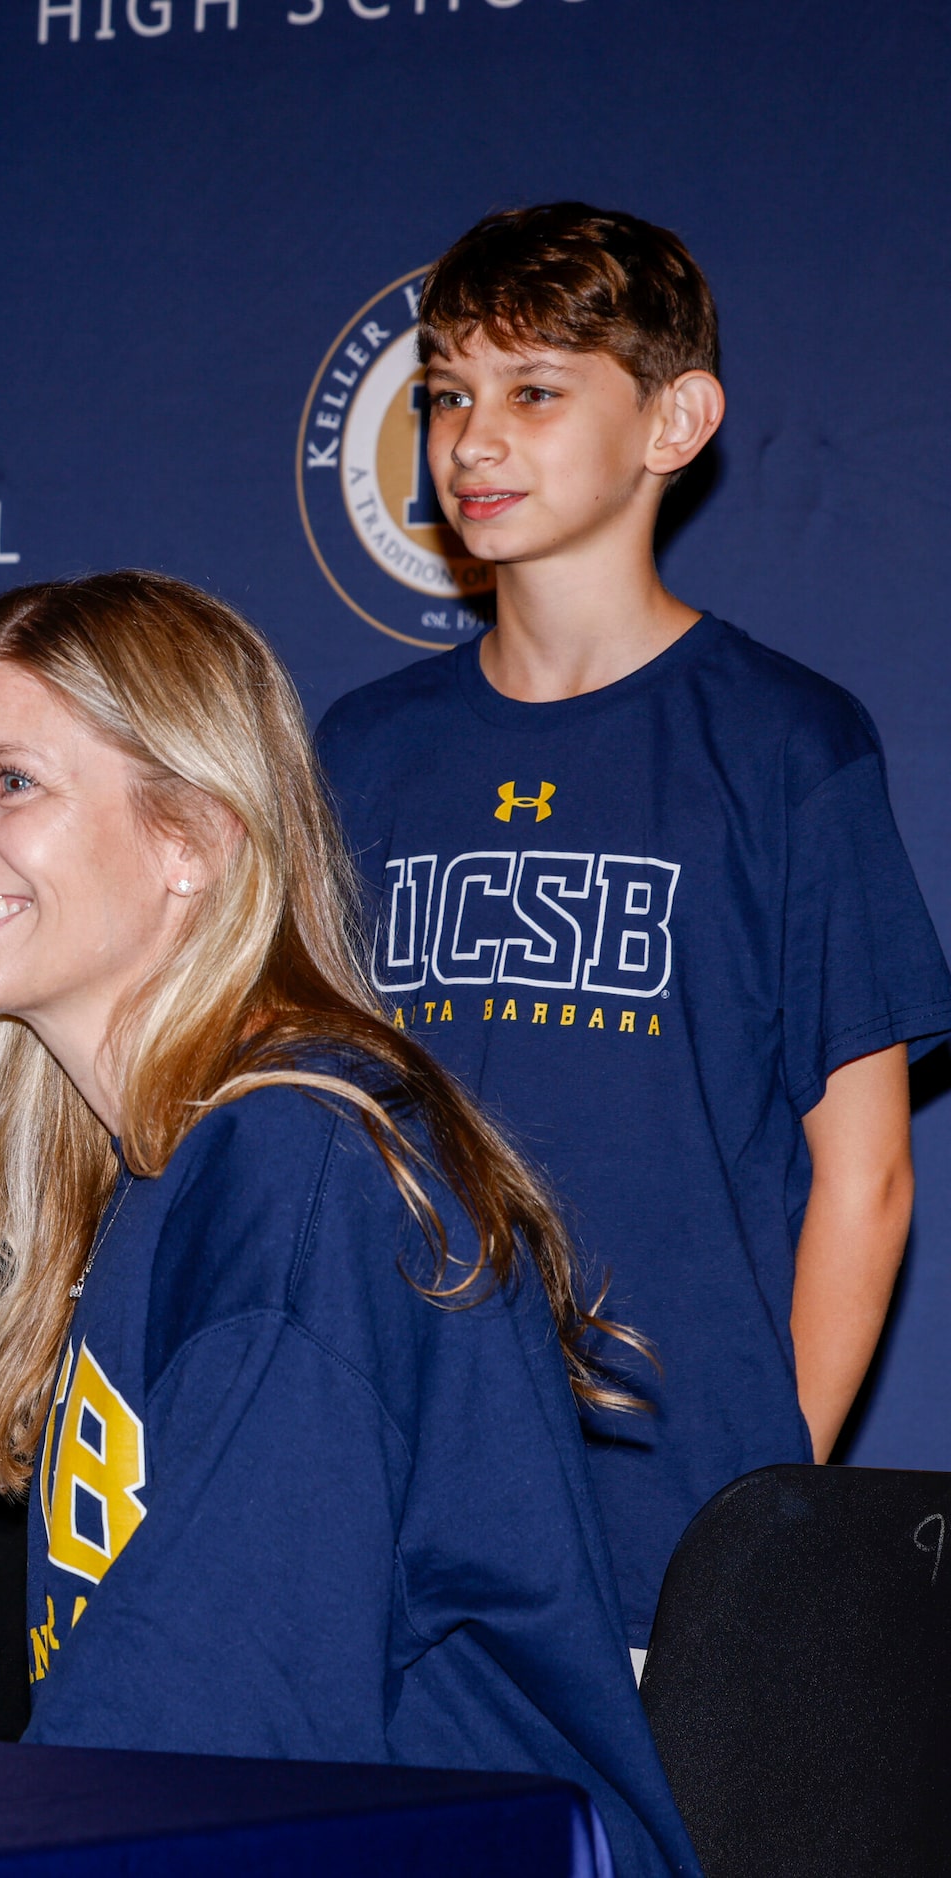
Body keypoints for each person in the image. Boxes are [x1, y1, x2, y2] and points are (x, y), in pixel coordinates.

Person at [0, 573, 697, 1876]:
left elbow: (222, 1712)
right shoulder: (173, 1168)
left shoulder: (294, 1164)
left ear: (191, 838)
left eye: (12, 783)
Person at [316, 204, 948, 1656]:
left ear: (678, 418)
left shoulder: (790, 744)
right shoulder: (358, 752)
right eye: (447, 395)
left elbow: (868, 1177)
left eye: (536, 391)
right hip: (386, 1492)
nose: (474, 441)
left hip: (673, 1517)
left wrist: (759, 1508)